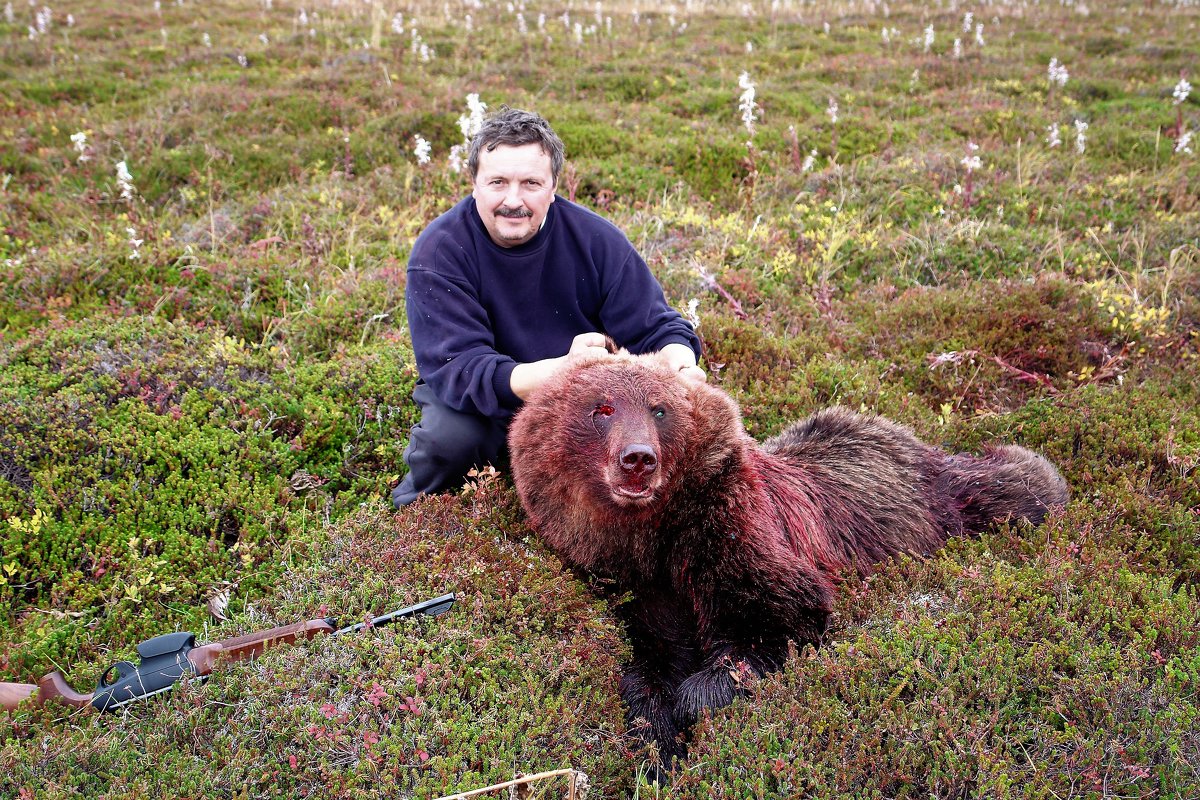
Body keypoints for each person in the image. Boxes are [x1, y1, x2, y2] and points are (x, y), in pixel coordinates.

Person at [392, 107, 704, 508]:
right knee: (450, 442)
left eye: (531, 183)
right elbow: (461, 370)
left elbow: (659, 328)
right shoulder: (440, 251)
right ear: (475, 184)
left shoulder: (596, 240)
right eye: (498, 182)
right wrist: (562, 373)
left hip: (590, 405)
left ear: (553, 186)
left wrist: (679, 364)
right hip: (486, 396)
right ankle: (414, 516)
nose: (513, 200)